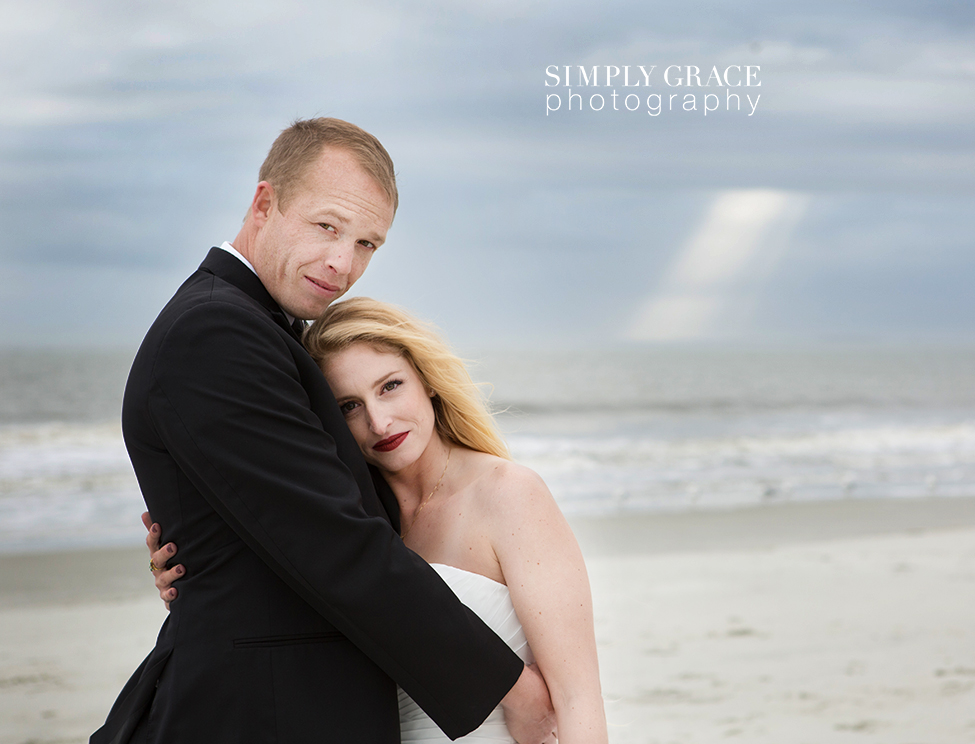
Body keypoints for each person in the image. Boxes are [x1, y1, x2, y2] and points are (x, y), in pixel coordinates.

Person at [92, 118, 554, 744]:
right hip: (261, 714)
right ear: (265, 204)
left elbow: (290, 514)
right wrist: (505, 683)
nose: (342, 263)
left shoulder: (259, 327)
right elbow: (332, 540)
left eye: (367, 244)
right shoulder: (217, 333)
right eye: (327, 227)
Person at [149, 298, 608, 743]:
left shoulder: (509, 494)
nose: (380, 422)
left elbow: (577, 699)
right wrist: (189, 577)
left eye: (390, 386)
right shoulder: (341, 526)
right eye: (349, 406)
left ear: (426, 379)